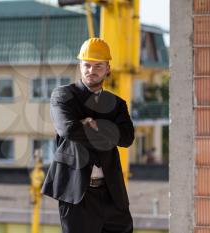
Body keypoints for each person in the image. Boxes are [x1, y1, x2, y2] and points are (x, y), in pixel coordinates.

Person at [41, 38, 135, 233]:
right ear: (80, 66)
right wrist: (109, 131)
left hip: (112, 193)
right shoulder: (63, 96)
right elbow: (68, 129)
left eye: (98, 65)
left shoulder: (117, 104)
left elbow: (127, 138)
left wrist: (92, 125)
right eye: (87, 65)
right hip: (77, 195)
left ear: (108, 68)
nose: (92, 70)